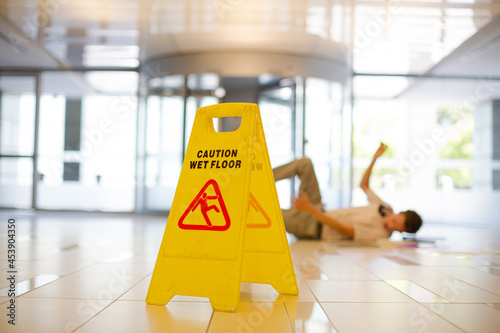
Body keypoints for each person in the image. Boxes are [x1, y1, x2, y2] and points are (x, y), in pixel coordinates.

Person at [272, 143, 423, 241]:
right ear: (399, 213)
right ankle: (263, 178)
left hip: (313, 227)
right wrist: (374, 159)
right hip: (319, 209)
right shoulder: (385, 207)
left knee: (268, 214)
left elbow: (344, 229)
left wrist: (309, 209)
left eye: (395, 229)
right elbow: (364, 185)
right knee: (305, 163)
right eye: (395, 222)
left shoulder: (380, 235)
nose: (390, 226)